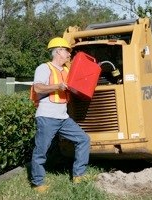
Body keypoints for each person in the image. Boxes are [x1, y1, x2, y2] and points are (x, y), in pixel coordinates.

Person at [30, 37, 90, 192]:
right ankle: (38, 183)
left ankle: (79, 175)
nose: (69, 55)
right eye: (67, 51)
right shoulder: (44, 68)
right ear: (58, 52)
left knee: (83, 139)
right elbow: (37, 88)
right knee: (41, 151)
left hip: (63, 118)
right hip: (47, 117)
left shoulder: (67, 71)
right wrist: (57, 86)